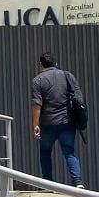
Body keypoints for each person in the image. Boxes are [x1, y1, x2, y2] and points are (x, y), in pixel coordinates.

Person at [31, 51, 84, 188]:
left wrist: (35, 124)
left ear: (40, 65)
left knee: (45, 152)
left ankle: (48, 183)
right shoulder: (67, 76)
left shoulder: (38, 80)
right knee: (69, 150)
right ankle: (77, 182)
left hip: (47, 123)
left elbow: (37, 104)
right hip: (67, 122)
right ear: (56, 64)